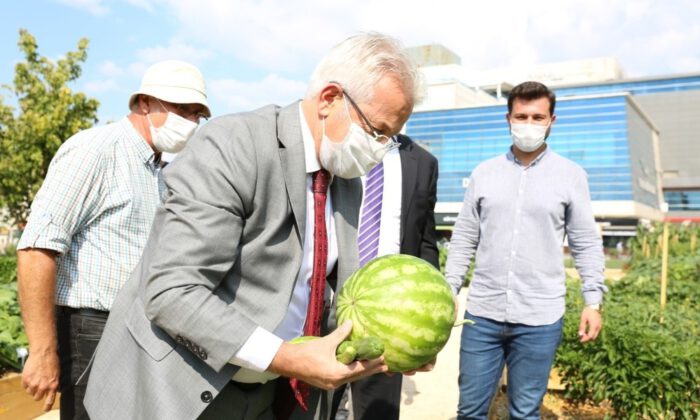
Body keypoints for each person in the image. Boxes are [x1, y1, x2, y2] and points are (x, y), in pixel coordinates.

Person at [83, 32, 426, 420]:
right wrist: (285, 357)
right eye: (376, 131)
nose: (379, 148)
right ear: (330, 99)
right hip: (181, 387)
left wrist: (393, 342)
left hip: (269, 391)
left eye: (389, 139)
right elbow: (172, 290)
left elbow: (325, 291)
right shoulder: (234, 144)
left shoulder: (347, 177)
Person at [15, 59, 209, 420]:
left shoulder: (159, 172)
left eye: (197, 113)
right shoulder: (96, 151)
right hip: (92, 330)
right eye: (183, 109)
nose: (191, 121)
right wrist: (42, 351)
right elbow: (36, 248)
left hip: (138, 330)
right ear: (145, 103)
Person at [444, 81, 607, 420]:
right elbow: (463, 238)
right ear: (508, 118)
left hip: (539, 318)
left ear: (552, 120)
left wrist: (593, 301)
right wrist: (449, 289)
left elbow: (585, 241)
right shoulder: (484, 173)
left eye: (537, 116)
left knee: (524, 412)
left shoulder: (571, 175)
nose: (529, 123)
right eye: (522, 116)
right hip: (483, 316)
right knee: (470, 411)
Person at [330, 133, 439, 420]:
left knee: (377, 413)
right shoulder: (335, 144)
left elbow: (425, 237)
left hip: (390, 314)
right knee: (317, 409)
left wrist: (433, 309)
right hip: (328, 303)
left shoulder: (424, 162)